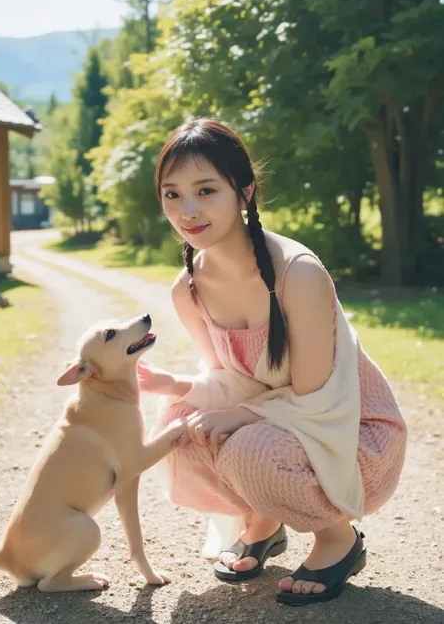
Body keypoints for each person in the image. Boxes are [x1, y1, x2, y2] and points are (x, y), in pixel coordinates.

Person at [137, 118, 407, 606]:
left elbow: (314, 394)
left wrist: (237, 416)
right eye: (172, 194)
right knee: (178, 424)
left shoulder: (296, 273)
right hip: (284, 426)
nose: (188, 210)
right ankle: (263, 521)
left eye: (206, 190)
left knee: (246, 448)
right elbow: (232, 382)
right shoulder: (188, 289)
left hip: (351, 432)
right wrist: (171, 384)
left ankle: (338, 540)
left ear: (244, 192)